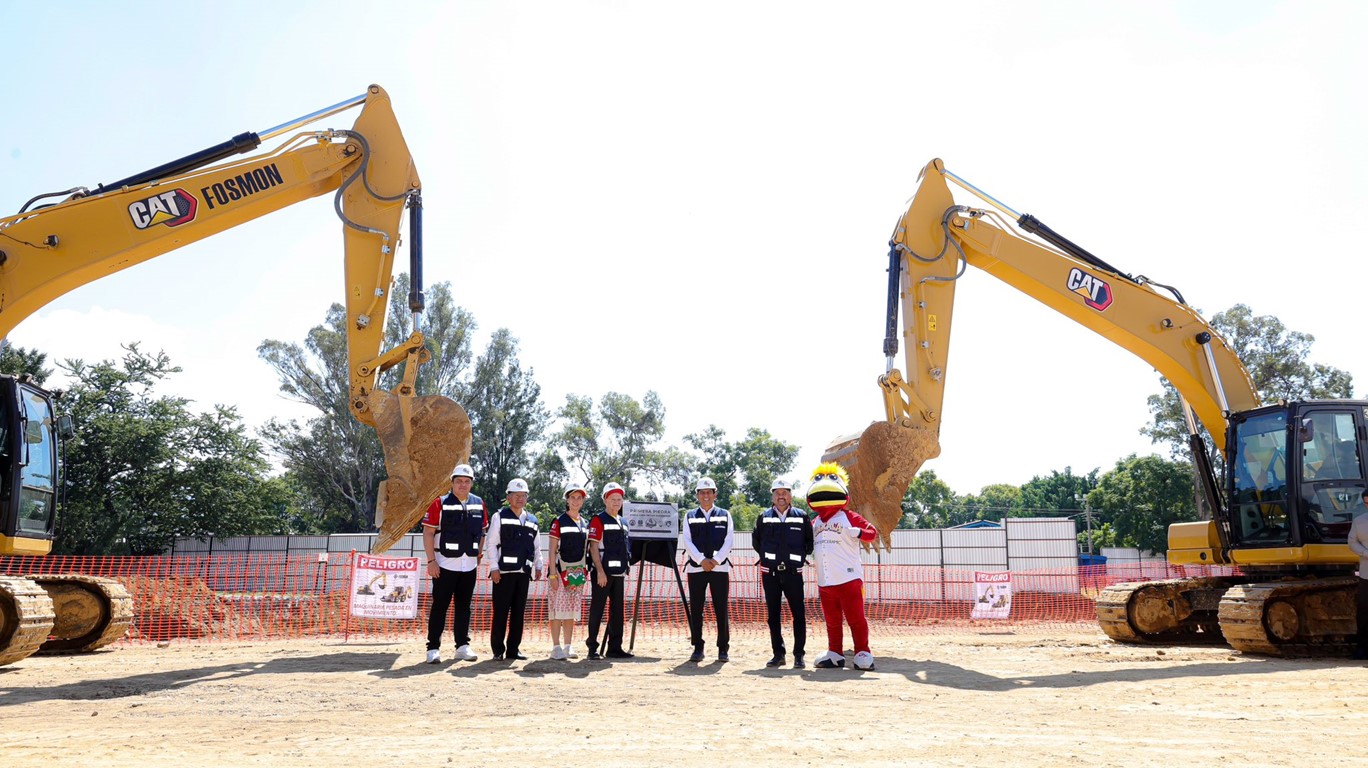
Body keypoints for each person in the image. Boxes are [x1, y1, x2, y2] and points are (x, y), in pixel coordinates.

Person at [805, 462, 878, 670]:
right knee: (832, 620)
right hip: (825, 580)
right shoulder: (815, 522)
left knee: (856, 618)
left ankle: (862, 652)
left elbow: (872, 533)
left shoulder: (849, 516)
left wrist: (860, 533)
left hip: (849, 578)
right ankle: (835, 653)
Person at [422, 463, 487, 664]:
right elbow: (428, 532)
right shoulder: (438, 503)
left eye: (467, 481)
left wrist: (478, 555)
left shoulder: (479, 503)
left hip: (468, 566)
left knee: (464, 607)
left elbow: (482, 532)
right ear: (451, 483)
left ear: (471, 484)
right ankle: (433, 648)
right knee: (440, 606)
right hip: (444, 565)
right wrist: (431, 560)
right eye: (459, 481)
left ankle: (462, 646)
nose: (463, 485)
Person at [752, 478, 813, 668]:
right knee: (773, 616)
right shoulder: (764, 517)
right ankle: (778, 654)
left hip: (794, 574)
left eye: (784, 492)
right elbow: (757, 542)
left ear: (791, 495)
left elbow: (809, 543)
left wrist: (796, 557)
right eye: (777, 492)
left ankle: (798, 655)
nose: (781, 496)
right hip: (770, 574)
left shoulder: (801, 516)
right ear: (772, 496)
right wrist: (769, 558)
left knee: (799, 615)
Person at [485, 477, 543, 661]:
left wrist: (539, 565)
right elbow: (492, 544)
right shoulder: (499, 516)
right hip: (503, 574)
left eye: (523, 495)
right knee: (501, 613)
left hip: (523, 575)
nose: (520, 498)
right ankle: (497, 650)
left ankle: (513, 650)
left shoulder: (532, 520)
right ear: (508, 498)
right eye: (516, 495)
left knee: (518, 614)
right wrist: (494, 567)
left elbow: (537, 547)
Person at [682, 477, 734, 662]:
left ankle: (723, 649)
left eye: (709, 492)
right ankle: (698, 647)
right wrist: (701, 560)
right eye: (702, 492)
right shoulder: (689, 516)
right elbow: (687, 541)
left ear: (715, 494)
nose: (706, 495)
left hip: (720, 569)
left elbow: (729, 540)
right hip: (696, 569)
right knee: (696, 609)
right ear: (697, 495)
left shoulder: (725, 514)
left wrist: (716, 560)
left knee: (721, 609)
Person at [586, 482, 634, 660]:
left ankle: (615, 648)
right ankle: (592, 648)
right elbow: (593, 547)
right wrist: (599, 571)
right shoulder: (598, 519)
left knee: (617, 611)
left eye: (619, 499)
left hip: (618, 573)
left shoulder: (624, 522)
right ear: (605, 500)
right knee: (597, 609)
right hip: (603, 573)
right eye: (613, 499)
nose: (616, 502)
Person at [547, 482, 591, 660]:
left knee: (571, 611)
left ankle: (568, 646)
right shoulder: (558, 521)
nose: (576, 501)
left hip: (577, 574)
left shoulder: (585, 523)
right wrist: (552, 574)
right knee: (557, 610)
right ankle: (556, 647)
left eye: (579, 498)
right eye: (572, 497)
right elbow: (551, 550)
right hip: (559, 572)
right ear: (567, 499)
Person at [1350, 489, 1368, 661]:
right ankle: (1363, 648)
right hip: (1366, 573)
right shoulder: (1359, 521)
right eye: (1366, 503)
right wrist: (1364, 553)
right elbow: (1352, 541)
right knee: (1363, 612)